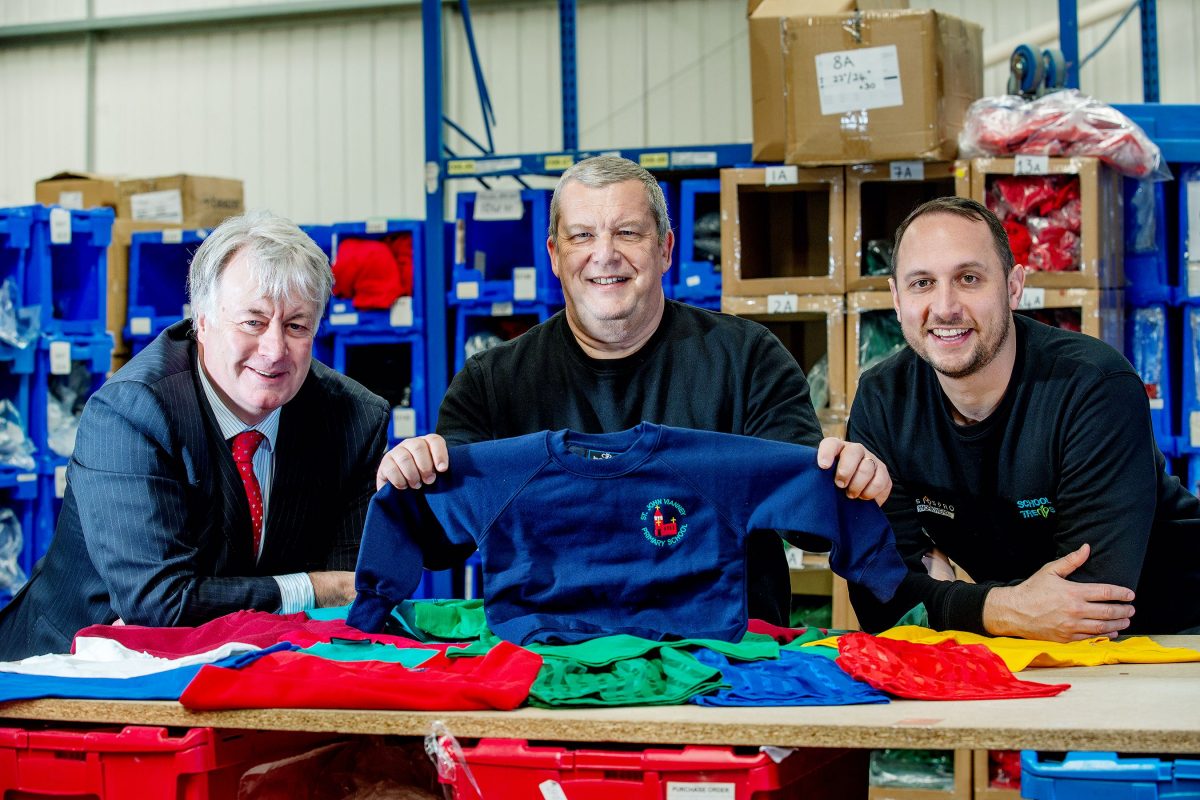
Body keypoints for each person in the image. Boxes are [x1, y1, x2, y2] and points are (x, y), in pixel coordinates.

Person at [376, 154, 891, 626]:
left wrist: (845, 479)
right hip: (553, 668)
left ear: (665, 249)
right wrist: (410, 477)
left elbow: (807, 529)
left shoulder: (747, 359)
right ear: (555, 255)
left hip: (723, 669)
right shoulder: (492, 382)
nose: (605, 255)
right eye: (581, 236)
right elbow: (440, 543)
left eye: (627, 232)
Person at [0, 211, 390, 660]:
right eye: (253, 322)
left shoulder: (353, 420)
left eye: (297, 325)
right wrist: (310, 588)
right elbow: (161, 606)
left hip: (247, 669)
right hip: (68, 678)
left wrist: (315, 594)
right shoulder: (131, 413)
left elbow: (351, 597)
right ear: (201, 321)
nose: (275, 349)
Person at [847, 196, 1200, 641]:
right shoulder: (884, 400)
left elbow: (1092, 602)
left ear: (1013, 287)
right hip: (1032, 655)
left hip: (1177, 638)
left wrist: (945, 597)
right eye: (922, 284)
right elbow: (882, 604)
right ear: (896, 300)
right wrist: (1004, 608)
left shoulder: (1092, 385)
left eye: (969, 278)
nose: (945, 307)